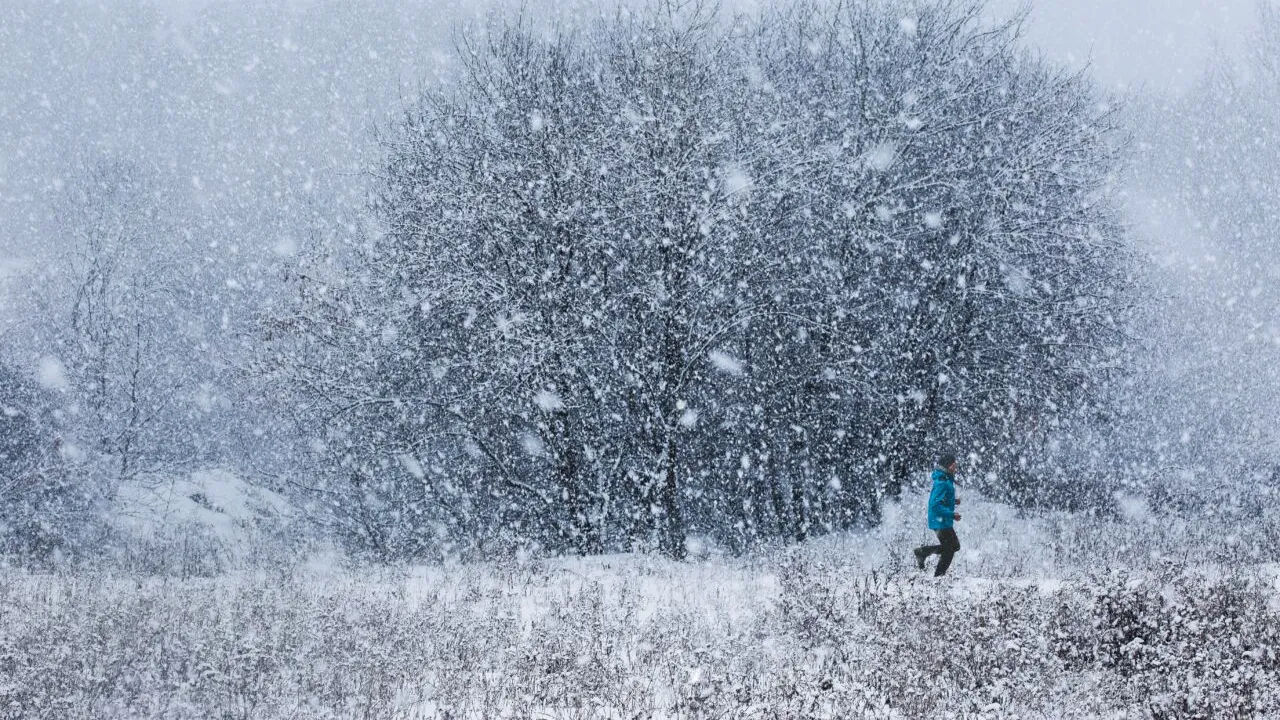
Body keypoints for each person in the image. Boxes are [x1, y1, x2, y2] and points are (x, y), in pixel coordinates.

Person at [913, 453, 962, 576]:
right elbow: (935, 505)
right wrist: (952, 514)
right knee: (950, 548)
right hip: (939, 521)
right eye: (953, 465)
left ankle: (922, 552)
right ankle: (938, 576)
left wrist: (953, 501)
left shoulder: (945, 479)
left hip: (942, 520)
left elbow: (941, 499)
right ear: (947, 466)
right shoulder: (942, 481)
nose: (955, 468)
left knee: (954, 546)